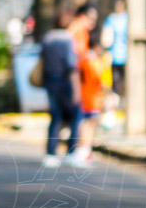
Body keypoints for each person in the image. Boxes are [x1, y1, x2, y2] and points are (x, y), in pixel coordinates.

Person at [40, 14, 86, 168]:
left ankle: (50, 152)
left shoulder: (47, 38)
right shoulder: (67, 38)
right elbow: (71, 65)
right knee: (75, 115)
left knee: (55, 116)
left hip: (49, 80)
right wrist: (76, 89)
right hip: (65, 81)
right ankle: (71, 152)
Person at [75, 36, 110, 166]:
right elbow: (101, 79)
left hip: (85, 96)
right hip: (92, 98)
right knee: (89, 125)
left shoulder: (84, 59)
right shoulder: (93, 61)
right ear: (96, 47)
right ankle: (83, 152)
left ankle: (84, 151)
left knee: (86, 124)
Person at [100, 0, 128, 100]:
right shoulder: (128, 19)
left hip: (115, 56)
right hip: (126, 56)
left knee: (116, 83)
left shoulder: (111, 20)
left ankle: (117, 101)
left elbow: (106, 41)